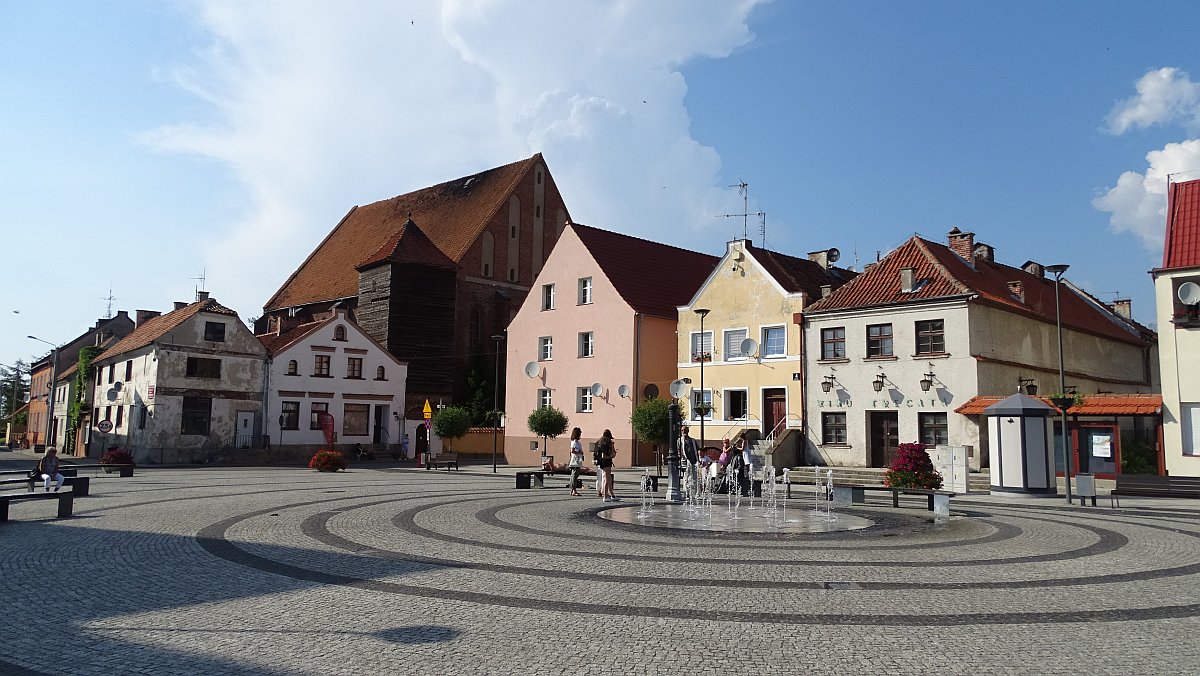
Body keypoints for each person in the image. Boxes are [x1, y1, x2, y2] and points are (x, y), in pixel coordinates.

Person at [595, 429, 618, 501]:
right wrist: (611, 456)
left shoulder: (599, 442)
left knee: (608, 479)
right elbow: (604, 455)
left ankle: (612, 495)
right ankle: (605, 496)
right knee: (606, 479)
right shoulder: (607, 443)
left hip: (601, 462)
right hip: (606, 462)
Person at [567, 427, 585, 496]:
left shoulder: (578, 443)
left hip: (577, 460)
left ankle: (573, 490)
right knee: (574, 475)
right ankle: (573, 490)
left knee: (575, 475)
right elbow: (572, 451)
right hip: (575, 461)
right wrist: (579, 452)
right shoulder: (574, 442)